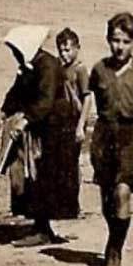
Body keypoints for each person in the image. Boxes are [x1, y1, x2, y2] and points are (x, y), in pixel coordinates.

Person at [87, 12, 133, 266]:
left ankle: (114, 251)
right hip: (104, 135)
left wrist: (131, 117)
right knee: (107, 195)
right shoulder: (99, 69)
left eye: (126, 41)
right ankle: (114, 235)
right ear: (108, 40)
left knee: (122, 192)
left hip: (130, 135)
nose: (119, 46)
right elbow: (92, 95)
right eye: (115, 40)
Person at [0, 24, 75, 246]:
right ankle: (39, 226)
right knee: (29, 176)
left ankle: (43, 230)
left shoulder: (47, 65)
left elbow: (46, 101)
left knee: (43, 176)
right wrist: (1, 116)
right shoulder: (27, 66)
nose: (15, 55)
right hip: (37, 125)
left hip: (53, 128)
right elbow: (16, 93)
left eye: (17, 50)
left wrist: (25, 120)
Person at [56, 27, 89, 220]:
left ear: (77, 48)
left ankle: (73, 205)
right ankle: (64, 203)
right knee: (62, 162)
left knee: (71, 162)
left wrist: (81, 125)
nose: (64, 54)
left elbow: (87, 98)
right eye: (61, 50)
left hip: (75, 120)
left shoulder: (80, 69)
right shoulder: (60, 68)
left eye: (68, 50)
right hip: (62, 121)